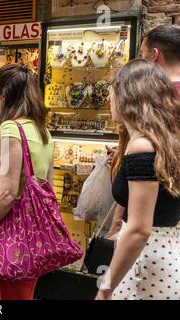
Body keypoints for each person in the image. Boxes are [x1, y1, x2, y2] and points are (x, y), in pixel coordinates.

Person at [0, 64, 54, 300]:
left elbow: (7, 193)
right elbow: (48, 187)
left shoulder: (11, 129)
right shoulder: (42, 131)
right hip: (34, 232)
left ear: (3, 95)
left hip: (11, 232)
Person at [95, 59, 180, 300]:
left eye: (112, 92)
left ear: (127, 97)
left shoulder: (142, 146)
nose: (110, 100)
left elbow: (139, 229)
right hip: (162, 254)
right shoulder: (163, 142)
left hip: (145, 261)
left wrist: (105, 288)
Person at [106, 24, 180, 240]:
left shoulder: (148, 99)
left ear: (154, 55)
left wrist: (117, 224)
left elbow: (142, 169)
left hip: (146, 229)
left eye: (142, 55)